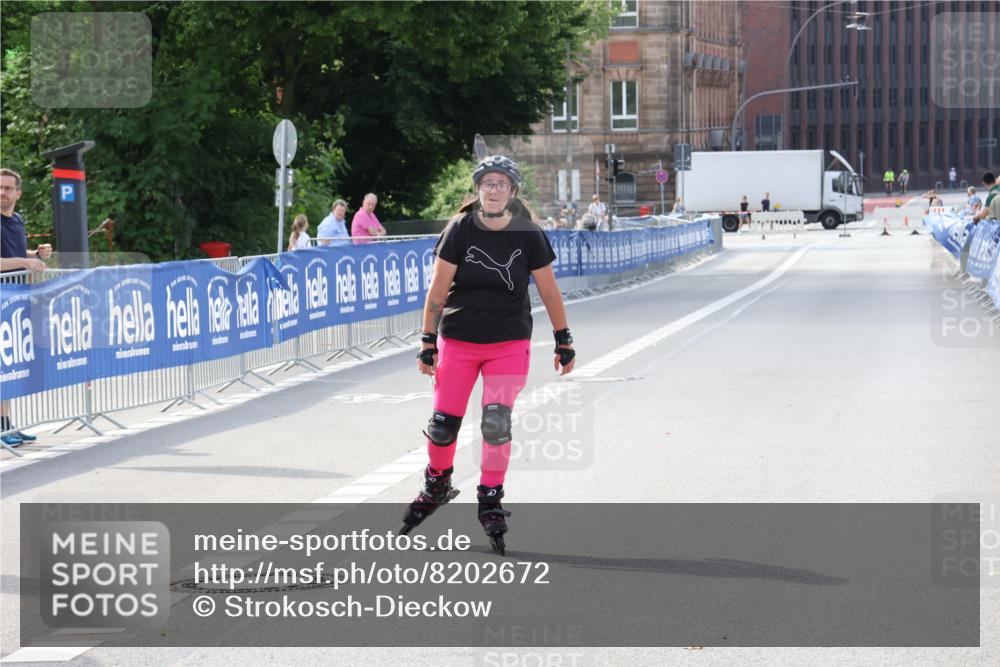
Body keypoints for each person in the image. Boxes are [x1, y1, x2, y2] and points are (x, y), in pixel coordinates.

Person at [401, 155, 575, 555]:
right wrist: (427, 342)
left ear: (513, 191)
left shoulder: (528, 233)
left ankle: (490, 497)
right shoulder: (460, 229)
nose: (493, 190)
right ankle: (438, 482)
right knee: (443, 426)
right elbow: (437, 293)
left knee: (496, 424)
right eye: (487, 183)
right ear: (478, 189)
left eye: (501, 184)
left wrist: (563, 340)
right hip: (459, 340)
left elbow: (549, 291)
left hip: (508, 342)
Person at [0, 168, 50, 448]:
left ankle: (7, 426)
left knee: (8, 368)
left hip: (15, 302)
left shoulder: (16, 220)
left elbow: (14, 254)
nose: (2, 193)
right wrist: (24, 262)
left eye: (8, 188)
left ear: (18, 193)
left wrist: (35, 255)